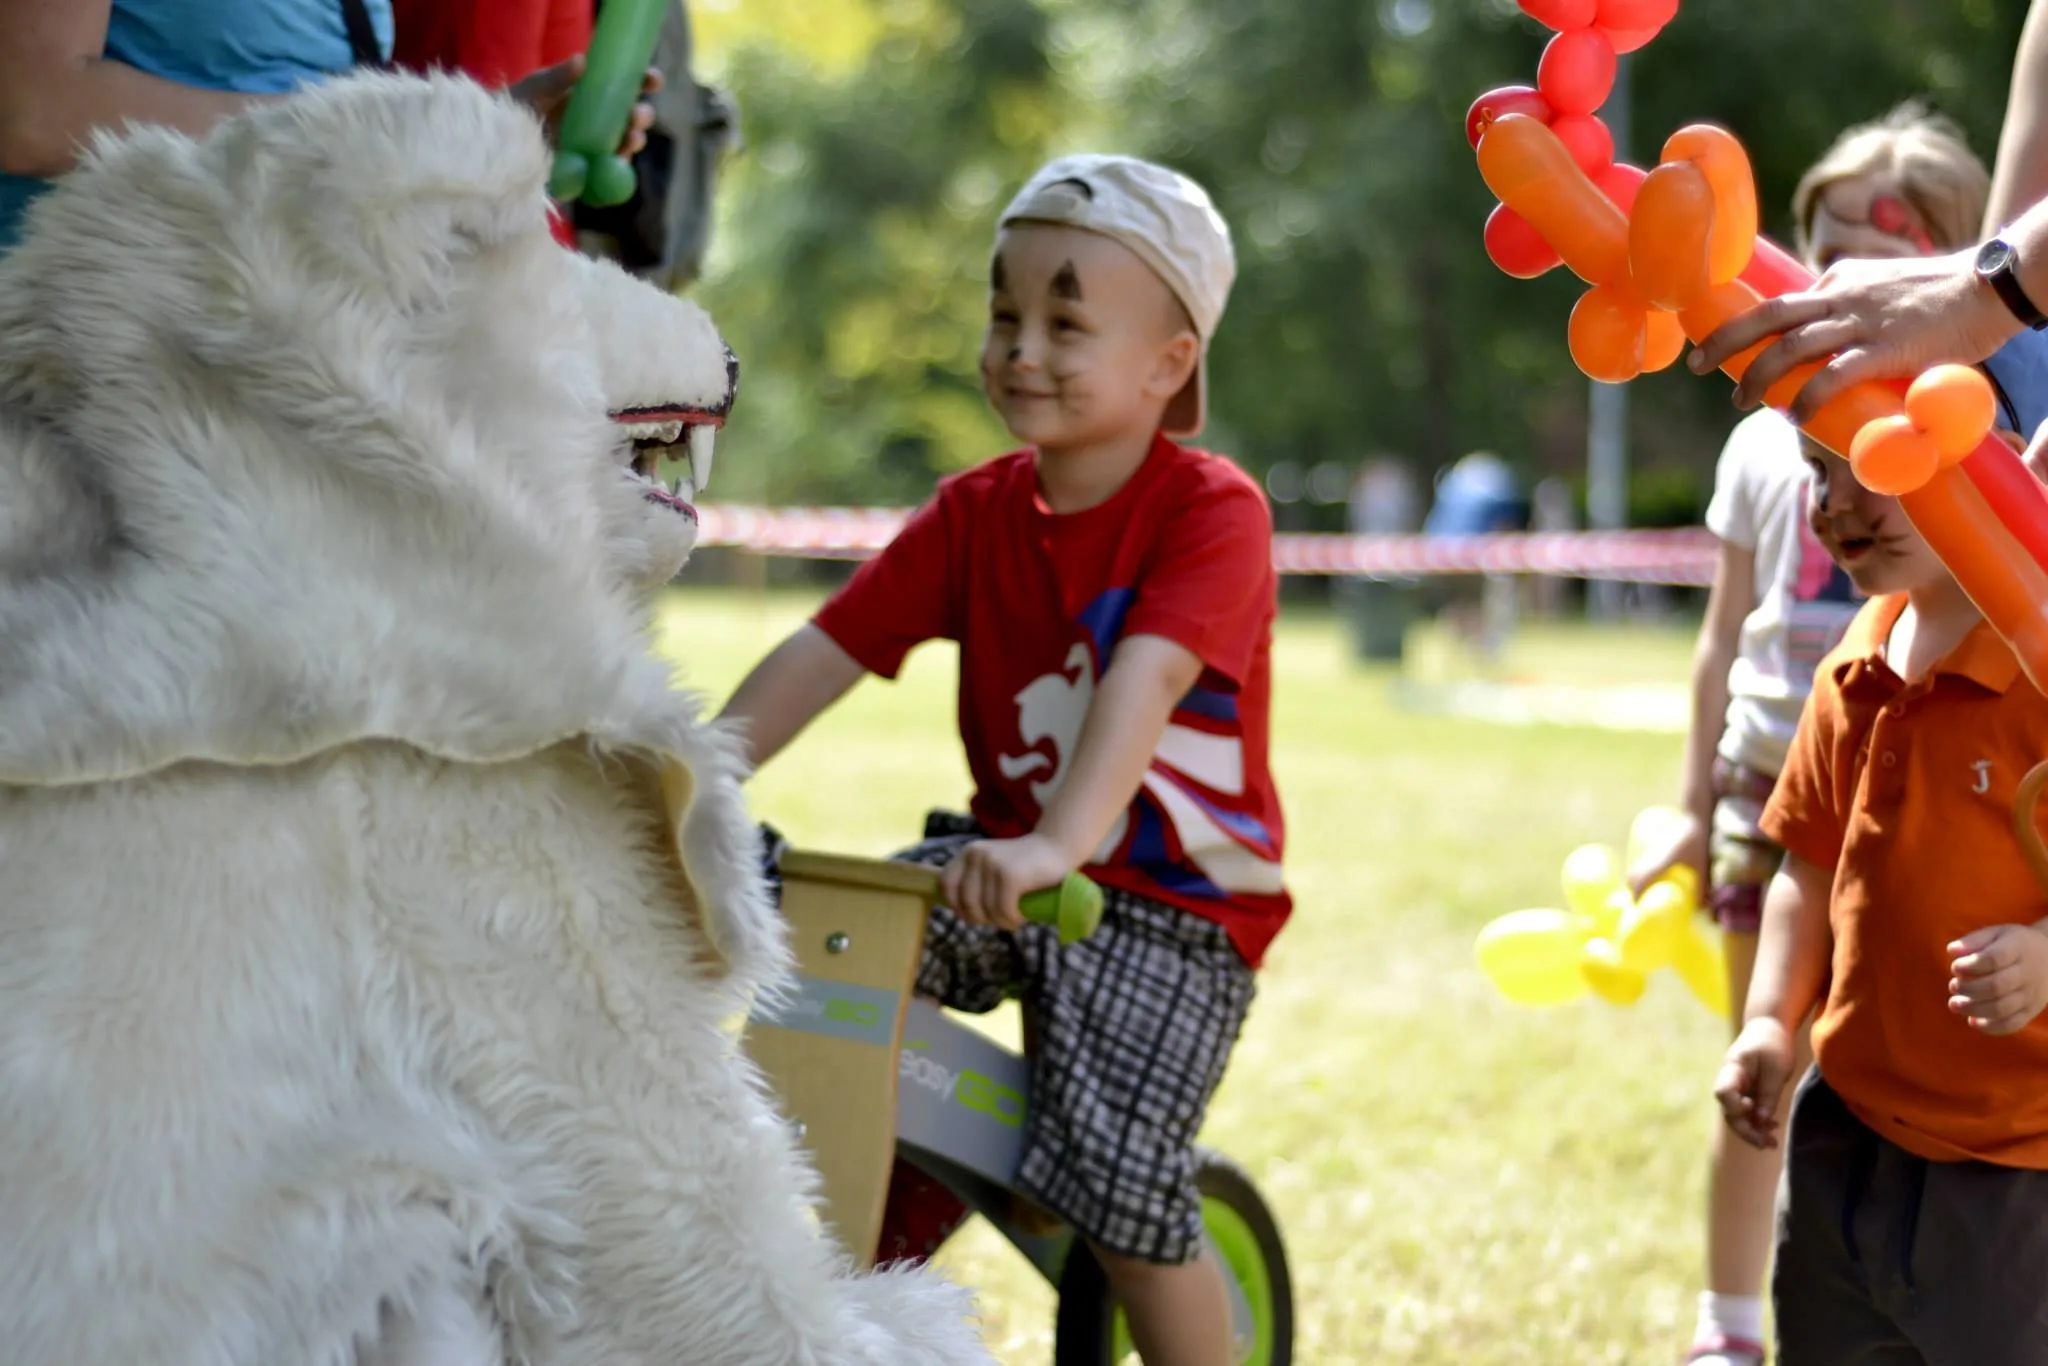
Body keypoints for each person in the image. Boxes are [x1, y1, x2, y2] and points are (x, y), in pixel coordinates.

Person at [716, 153, 1287, 1366]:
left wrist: (1054, 844)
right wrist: (702, 774)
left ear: (1167, 363)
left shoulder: (1210, 512)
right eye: (1003, 315)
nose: (1021, 349)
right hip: (1007, 870)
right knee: (833, 956)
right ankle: (866, 1247)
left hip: (1166, 908)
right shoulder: (973, 513)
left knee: (1124, 1197)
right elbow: (829, 647)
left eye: (1064, 323)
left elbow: (1145, 681)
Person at [1628, 102, 1994, 1366]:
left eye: (1884, 260)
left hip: (1925, 795)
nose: (1841, 283)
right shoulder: (1764, 450)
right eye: (1822, 253)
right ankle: (1729, 1327)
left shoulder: (1975, 466)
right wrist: (1692, 809)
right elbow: (1720, 639)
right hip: (1769, 791)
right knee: (1765, 1061)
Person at [1711, 408, 2048, 1365]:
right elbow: (1807, 867)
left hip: (2012, 1164)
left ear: (1985, 465)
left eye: (1868, 465)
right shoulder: (1856, 658)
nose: (1834, 503)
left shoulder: (2040, 670)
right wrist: (1770, 1021)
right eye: (1818, 472)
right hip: (1844, 1134)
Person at [0, 0, 654, 255]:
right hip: (87, 378)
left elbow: (315, 109)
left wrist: (487, 129)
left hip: (253, 365)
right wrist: (378, 132)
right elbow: (31, 113)